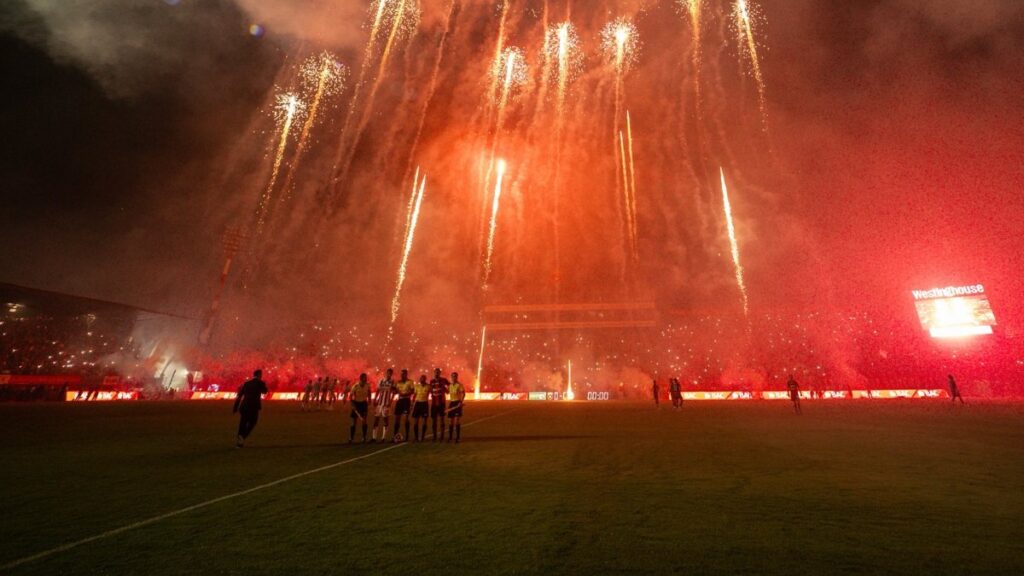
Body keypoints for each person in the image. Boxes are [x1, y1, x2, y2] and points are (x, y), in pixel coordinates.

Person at [233, 369, 269, 447]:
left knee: (243, 422)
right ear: (259, 375)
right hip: (253, 406)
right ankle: (243, 437)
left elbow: (239, 396)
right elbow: (265, 391)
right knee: (253, 422)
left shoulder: (246, 383)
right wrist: (265, 385)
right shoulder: (260, 383)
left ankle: (239, 442)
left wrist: (235, 407)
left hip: (244, 406)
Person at [373, 368, 396, 442]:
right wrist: (375, 399)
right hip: (379, 403)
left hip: (386, 403)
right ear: (386, 373)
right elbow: (378, 390)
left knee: (385, 420)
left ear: (391, 374)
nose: (389, 374)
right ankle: (374, 438)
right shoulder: (381, 381)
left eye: (390, 373)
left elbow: (394, 392)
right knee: (376, 419)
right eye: (388, 373)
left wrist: (390, 401)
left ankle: (383, 438)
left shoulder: (392, 382)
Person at [392, 369, 415, 442]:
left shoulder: (410, 382)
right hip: (400, 401)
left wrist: (406, 394)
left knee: (405, 419)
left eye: (404, 374)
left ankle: (407, 436)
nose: (402, 375)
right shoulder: (398, 382)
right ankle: (394, 436)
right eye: (401, 374)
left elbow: (412, 391)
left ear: (406, 374)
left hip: (406, 400)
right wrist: (393, 389)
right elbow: (395, 391)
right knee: (396, 419)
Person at [348, 373, 372, 443]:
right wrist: (352, 404)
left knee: (364, 421)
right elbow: (350, 396)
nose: (366, 379)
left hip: (364, 404)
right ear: (361, 378)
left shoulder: (367, 385)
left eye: (366, 378)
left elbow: (369, 392)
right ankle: (351, 438)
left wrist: (369, 400)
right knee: (354, 422)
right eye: (364, 378)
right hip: (356, 404)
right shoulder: (355, 386)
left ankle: (364, 437)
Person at [429, 368, 450, 442]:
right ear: (434, 373)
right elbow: (430, 390)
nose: (437, 373)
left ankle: (442, 436)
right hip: (434, 403)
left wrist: (446, 390)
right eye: (436, 372)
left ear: (440, 373)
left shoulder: (444, 380)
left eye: (438, 372)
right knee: (434, 421)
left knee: (442, 420)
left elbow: (450, 386)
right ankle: (434, 436)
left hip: (441, 403)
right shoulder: (431, 381)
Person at [447, 372, 466, 443]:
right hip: (452, 403)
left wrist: (461, 402)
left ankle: (458, 438)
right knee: (451, 421)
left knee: (457, 420)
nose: (453, 378)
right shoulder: (450, 385)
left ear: (457, 377)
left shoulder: (459, 385)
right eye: (452, 376)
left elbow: (463, 393)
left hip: (457, 402)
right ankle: (450, 437)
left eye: (455, 376)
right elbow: (447, 392)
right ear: (451, 377)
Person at [412, 375, 431, 442]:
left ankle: (422, 437)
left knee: (424, 421)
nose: (421, 380)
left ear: (425, 379)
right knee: (416, 421)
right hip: (417, 404)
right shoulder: (417, 386)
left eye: (423, 379)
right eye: (421, 379)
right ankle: (416, 437)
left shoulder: (428, 386)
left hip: (424, 403)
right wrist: (412, 403)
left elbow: (432, 392)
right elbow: (414, 395)